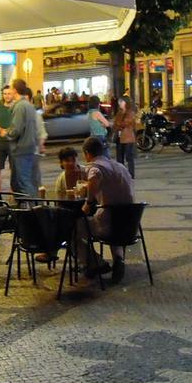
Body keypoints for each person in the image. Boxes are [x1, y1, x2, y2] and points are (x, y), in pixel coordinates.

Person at [78, 135, 135, 284]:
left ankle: (96, 263)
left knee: (72, 227)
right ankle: (118, 259)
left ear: (87, 153)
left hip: (108, 225)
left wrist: (89, 202)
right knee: (112, 217)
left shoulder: (94, 166)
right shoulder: (120, 166)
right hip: (129, 225)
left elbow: (94, 176)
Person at [0, 79, 38, 197]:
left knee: (23, 184)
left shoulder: (20, 106)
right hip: (29, 147)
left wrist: (6, 133)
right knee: (24, 181)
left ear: (15, 90)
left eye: (11, 88)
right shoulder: (29, 105)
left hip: (21, 149)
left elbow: (16, 129)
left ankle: (32, 211)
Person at [0, 86, 15, 191]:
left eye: (9, 93)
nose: (7, 96)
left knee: (14, 169)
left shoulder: (16, 108)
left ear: (13, 94)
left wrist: (8, 131)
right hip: (0, 142)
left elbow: (18, 123)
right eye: (5, 93)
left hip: (13, 142)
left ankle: (12, 192)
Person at [113, 95, 138, 178]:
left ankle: (131, 174)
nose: (119, 103)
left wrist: (118, 124)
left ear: (126, 103)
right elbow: (115, 124)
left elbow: (126, 123)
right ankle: (121, 173)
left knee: (129, 157)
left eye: (121, 102)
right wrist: (118, 124)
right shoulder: (119, 113)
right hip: (119, 138)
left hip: (128, 138)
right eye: (119, 102)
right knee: (119, 158)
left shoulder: (131, 112)